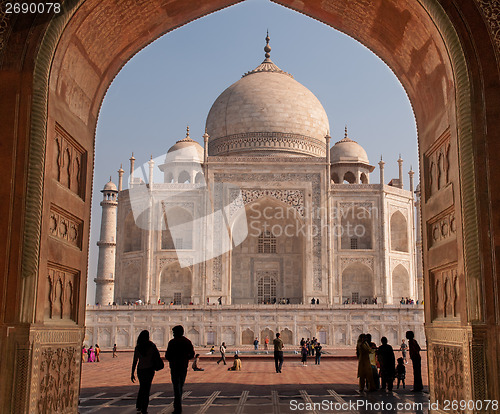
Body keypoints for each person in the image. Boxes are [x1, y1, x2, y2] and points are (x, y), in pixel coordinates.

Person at [165, 325, 195, 414]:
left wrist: (173, 359)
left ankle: (177, 405)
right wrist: (185, 358)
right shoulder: (186, 342)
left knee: (176, 386)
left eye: (174, 332)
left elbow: (167, 355)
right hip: (183, 366)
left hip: (174, 366)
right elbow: (192, 354)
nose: (173, 334)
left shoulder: (172, 342)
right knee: (180, 385)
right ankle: (177, 404)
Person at [131, 330, 162, 414]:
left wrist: (132, 373)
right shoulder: (151, 346)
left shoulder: (138, 347)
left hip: (140, 370)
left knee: (142, 387)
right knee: (146, 388)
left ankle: (139, 405)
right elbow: (157, 356)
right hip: (149, 369)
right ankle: (144, 408)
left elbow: (135, 361)